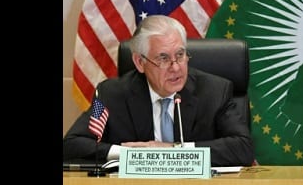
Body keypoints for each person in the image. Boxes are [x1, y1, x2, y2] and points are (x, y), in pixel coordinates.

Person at [63, 15, 254, 167]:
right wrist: (131, 154)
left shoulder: (215, 91)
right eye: (163, 59)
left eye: (180, 55)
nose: (176, 67)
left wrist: (171, 151)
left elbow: (243, 148)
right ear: (140, 62)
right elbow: (71, 144)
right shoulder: (110, 94)